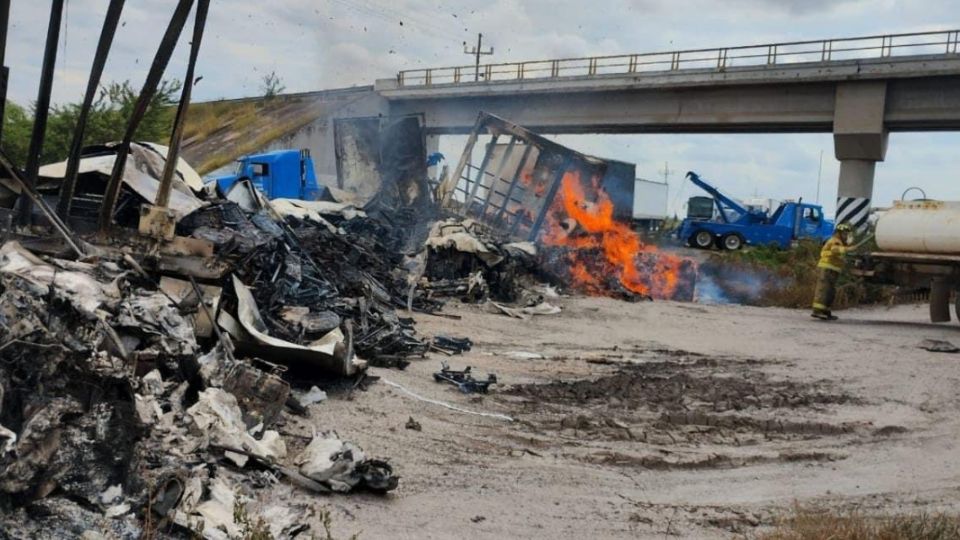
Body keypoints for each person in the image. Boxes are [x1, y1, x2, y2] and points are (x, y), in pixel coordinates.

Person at [811, 223, 871, 321]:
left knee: (830, 291)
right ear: (839, 233)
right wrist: (848, 249)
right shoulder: (835, 241)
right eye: (844, 233)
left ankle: (826, 311)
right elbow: (835, 250)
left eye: (847, 234)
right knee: (824, 290)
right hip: (827, 268)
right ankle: (817, 311)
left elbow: (840, 256)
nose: (846, 236)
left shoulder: (840, 242)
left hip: (833, 270)